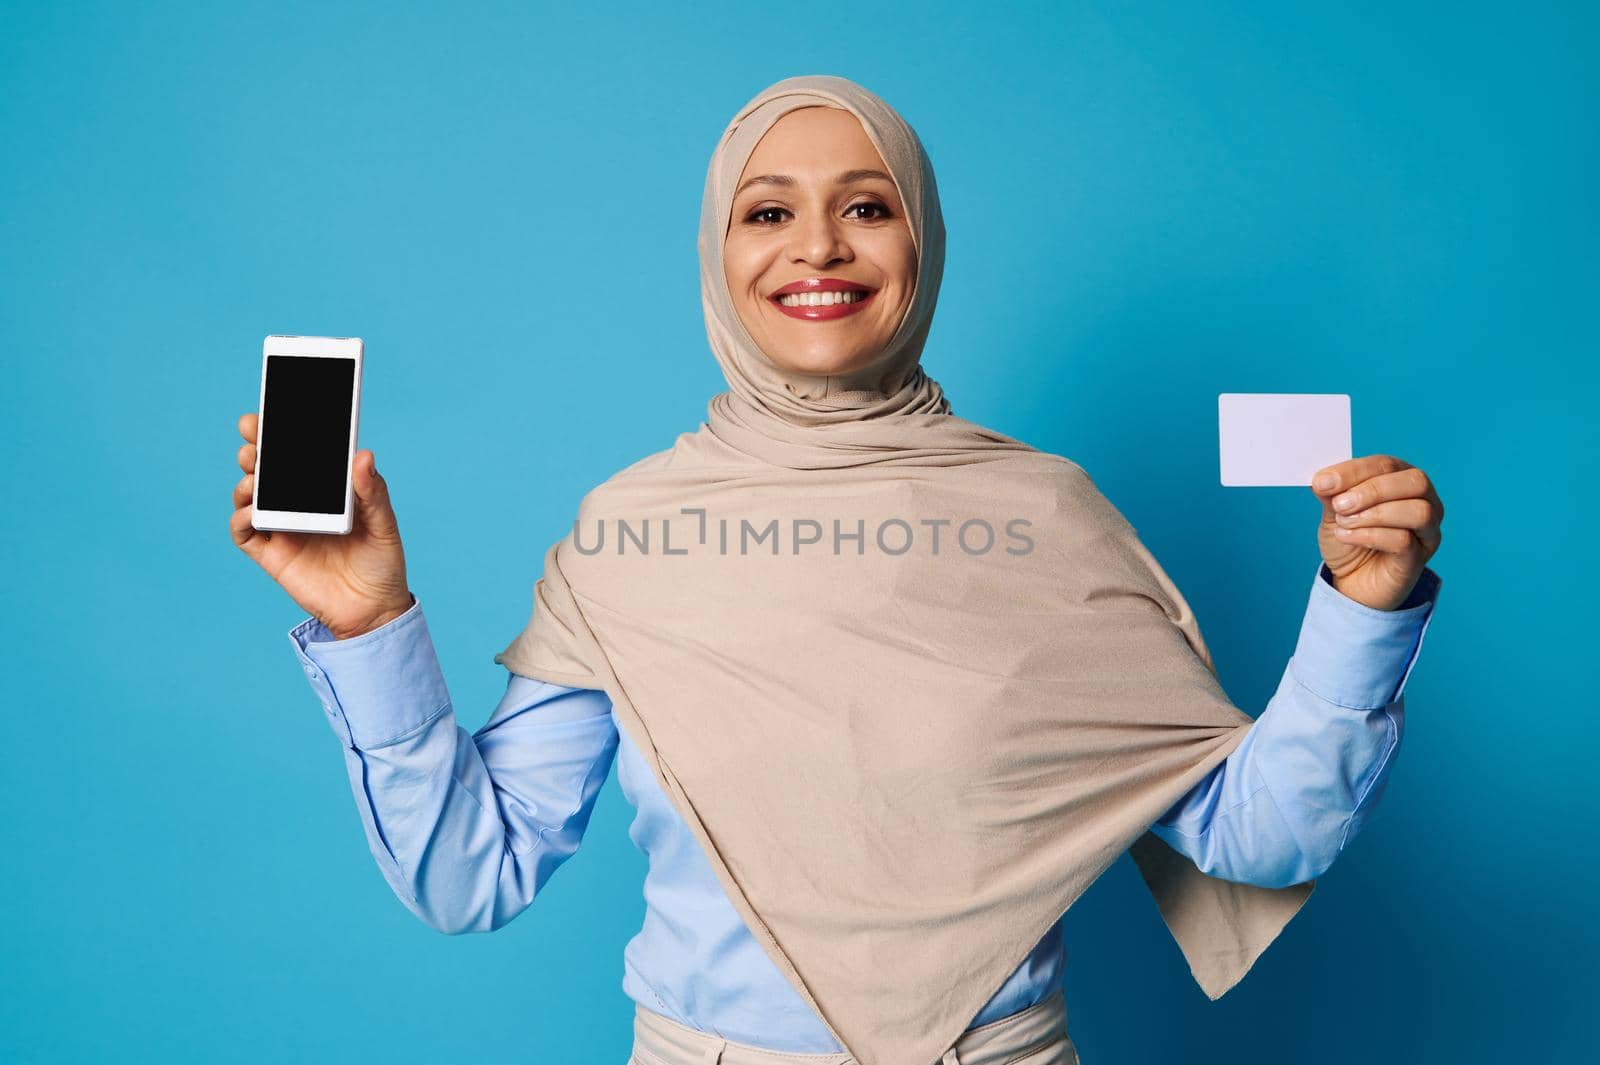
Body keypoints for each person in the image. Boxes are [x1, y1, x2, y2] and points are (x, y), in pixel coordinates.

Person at [229, 77, 1442, 1065]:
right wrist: (370, 623)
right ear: (718, 253)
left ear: (921, 238)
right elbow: (467, 875)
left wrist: (1361, 610)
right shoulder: (630, 533)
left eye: (867, 207)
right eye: (767, 212)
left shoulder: (1045, 513)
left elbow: (1261, 835)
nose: (817, 245)